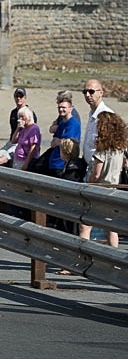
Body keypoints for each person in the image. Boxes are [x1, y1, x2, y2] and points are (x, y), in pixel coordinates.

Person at [79, 112, 127, 247]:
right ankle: (114, 257)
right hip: (114, 189)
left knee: (85, 225)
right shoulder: (120, 149)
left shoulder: (102, 150)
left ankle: (83, 256)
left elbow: (96, 174)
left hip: (100, 190)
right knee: (111, 228)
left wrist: (88, 183)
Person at [81, 79, 114, 179]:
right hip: (88, 169)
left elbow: (106, 150)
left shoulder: (106, 116)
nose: (87, 95)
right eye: (85, 92)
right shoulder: (92, 115)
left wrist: (95, 176)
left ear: (101, 93)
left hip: (99, 174)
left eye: (91, 91)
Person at [47, 92, 81, 178]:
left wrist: (59, 141)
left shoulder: (73, 123)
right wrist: (58, 141)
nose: (61, 109)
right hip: (54, 162)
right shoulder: (62, 122)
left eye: (64, 107)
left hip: (62, 164)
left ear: (71, 109)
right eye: (59, 107)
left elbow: (66, 144)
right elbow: (53, 142)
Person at [11, 107, 41, 171]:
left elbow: (33, 147)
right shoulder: (23, 128)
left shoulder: (34, 128)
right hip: (18, 159)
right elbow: (13, 141)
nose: (20, 119)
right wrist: (18, 128)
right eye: (19, 117)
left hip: (25, 160)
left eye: (22, 117)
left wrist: (26, 164)